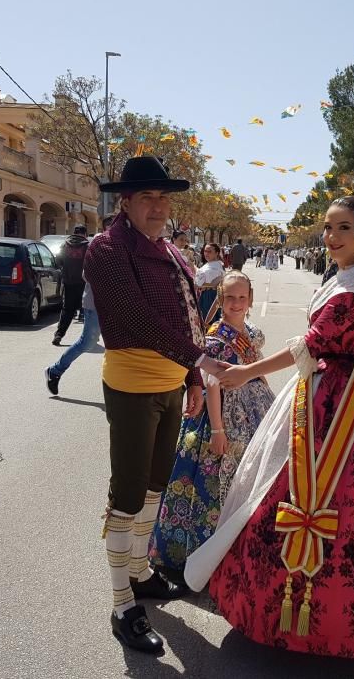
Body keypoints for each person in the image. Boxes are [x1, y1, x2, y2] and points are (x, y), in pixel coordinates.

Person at [185, 196, 354, 661]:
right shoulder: (350, 278)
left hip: (344, 398)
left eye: (344, 230)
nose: (332, 238)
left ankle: (323, 620)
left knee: (324, 490)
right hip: (340, 386)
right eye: (329, 228)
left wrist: (245, 373)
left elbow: (310, 348)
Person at [83, 156, 229, 654]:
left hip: (171, 386)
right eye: (148, 197)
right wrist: (202, 360)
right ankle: (122, 604)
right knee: (126, 496)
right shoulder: (106, 250)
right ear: (125, 201)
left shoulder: (169, 250)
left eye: (163, 197)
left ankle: (141, 573)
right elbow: (135, 318)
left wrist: (190, 376)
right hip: (131, 387)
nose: (158, 206)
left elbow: (188, 316)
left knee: (154, 489)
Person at [150, 271, 275, 580]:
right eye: (229, 297)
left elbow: (255, 364)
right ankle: (201, 553)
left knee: (247, 480)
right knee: (213, 484)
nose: (235, 303)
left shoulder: (251, 332)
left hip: (253, 407)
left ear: (250, 301)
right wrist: (218, 431)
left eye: (242, 298)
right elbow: (213, 386)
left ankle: (237, 547)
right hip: (222, 418)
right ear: (220, 299)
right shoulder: (215, 338)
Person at [45, 216, 115, 395]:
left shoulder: (124, 245)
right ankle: (54, 371)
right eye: (110, 225)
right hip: (96, 303)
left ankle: (122, 390)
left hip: (115, 305)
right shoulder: (97, 244)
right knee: (87, 342)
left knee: (121, 345)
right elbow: (87, 274)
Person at [52, 225, 90, 346]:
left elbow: (58, 261)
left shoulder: (65, 245)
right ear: (84, 234)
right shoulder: (87, 246)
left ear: (74, 233)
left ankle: (59, 334)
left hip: (68, 282)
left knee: (68, 309)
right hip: (84, 282)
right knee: (88, 309)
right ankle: (88, 338)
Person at [196, 243, 226, 326]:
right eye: (205, 251)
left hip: (211, 296)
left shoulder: (216, 265)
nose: (206, 253)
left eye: (209, 251)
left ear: (216, 253)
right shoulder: (211, 264)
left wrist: (204, 285)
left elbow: (216, 282)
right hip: (205, 295)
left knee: (210, 322)